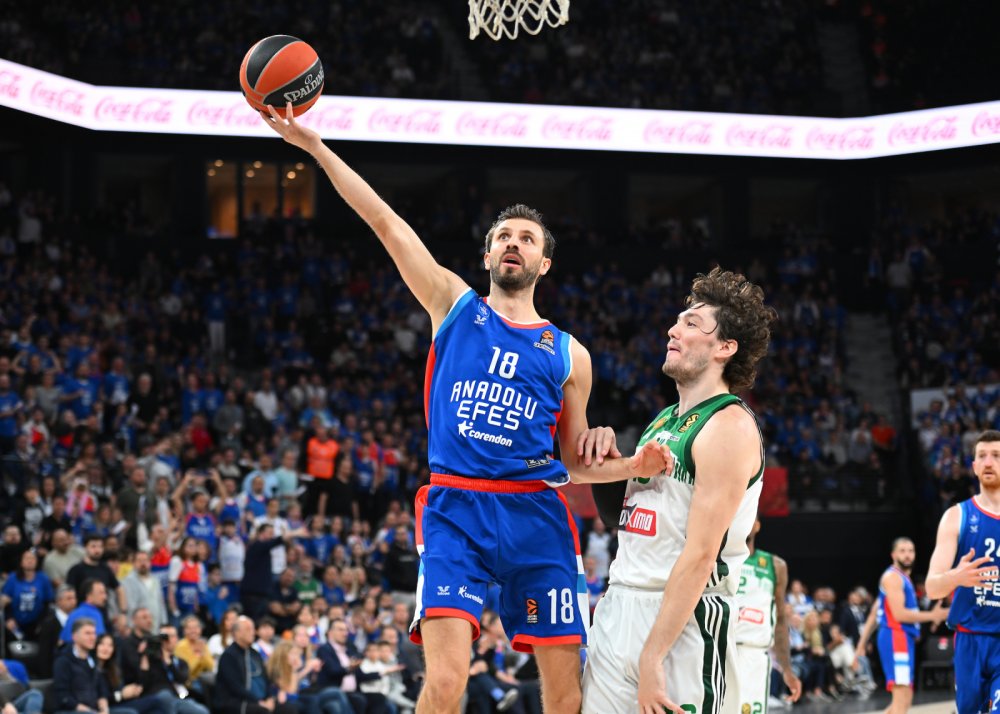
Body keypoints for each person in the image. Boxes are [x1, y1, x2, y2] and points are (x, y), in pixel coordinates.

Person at [262, 100, 671, 714]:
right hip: (456, 507)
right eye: (503, 237)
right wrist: (318, 149)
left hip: (535, 513)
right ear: (486, 257)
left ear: (544, 262)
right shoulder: (453, 306)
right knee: (448, 680)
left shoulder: (570, 355)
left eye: (526, 238)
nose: (513, 243)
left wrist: (636, 463)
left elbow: (576, 463)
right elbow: (386, 221)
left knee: (566, 694)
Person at [578, 267, 777, 713]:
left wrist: (653, 654)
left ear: (725, 347)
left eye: (692, 323)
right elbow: (622, 519)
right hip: (620, 604)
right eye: (678, 320)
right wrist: (611, 463)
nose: (674, 328)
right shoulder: (663, 420)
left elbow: (702, 554)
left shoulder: (729, 426)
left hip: (683, 622)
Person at [926, 430, 1000, 714]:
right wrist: (956, 577)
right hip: (970, 638)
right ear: (974, 466)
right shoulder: (957, 516)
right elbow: (933, 588)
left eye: (996, 455)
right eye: (982, 456)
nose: (989, 461)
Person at [854, 538, 947, 712]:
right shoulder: (894, 578)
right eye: (902, 551)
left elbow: (875, 613)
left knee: (904, 697)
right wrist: (933, 615)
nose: (907, 555)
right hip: (895, 637)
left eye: (911, 550)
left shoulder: (901, 578)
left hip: (901, 638)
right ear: (893, 554)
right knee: (902, 698)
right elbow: (900, 614)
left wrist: (861, 644)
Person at [735, 518, 802, 712]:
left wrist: (786, 669)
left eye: (750, 515)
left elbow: (780, 620)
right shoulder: (715, 557)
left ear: (757, 525)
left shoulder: (775, 565)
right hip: (719, 650)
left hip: (754, 654)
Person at [215, 616, 296, 714]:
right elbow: (235, 687)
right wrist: (258, 701)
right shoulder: (229, 656)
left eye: (253, 629)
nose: (253, 632)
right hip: (239, 702)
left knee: (289, 709)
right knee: (262, 711)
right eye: (248, 629)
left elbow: (266, 680)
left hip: (261, 700)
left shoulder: (255, 654)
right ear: (237, 633)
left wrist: (269, 698)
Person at [52, 618, 105, 714]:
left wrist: (104, 708)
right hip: (71, 711)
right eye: (87, 633)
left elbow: (101, 689)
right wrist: (90, 711)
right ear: (75, 637)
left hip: (94, 710)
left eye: (94, 633)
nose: (93, 637)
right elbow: (62, 696)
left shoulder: (93, 659)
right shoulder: (63, 661)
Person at [0, 549, 54, 641]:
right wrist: (9, 618)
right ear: (21, 562)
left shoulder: (43, 578)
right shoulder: (12, 578)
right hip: (15, 622)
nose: (30, 561)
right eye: (26, 558)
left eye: (32, 558)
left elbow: (47, 602)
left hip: (36, 622)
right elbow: (5, 601)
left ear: (37, 562)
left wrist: (41, 622)